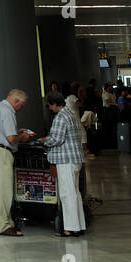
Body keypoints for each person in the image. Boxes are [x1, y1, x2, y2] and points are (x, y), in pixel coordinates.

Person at [0, 89, 32, 237]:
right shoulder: (8, 111)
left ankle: (6, 222)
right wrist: (22, 137)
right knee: (4, 191)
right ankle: (4, 226)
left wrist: (17, 131)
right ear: (16, 101)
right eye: (22, 105)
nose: (21, 109)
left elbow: (0, 131)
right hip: (2, 152)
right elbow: (11, 138)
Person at [43, 93, 86, 237]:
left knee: (67, 194)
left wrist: (44, 140)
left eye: (50, 105)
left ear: (55, 104)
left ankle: (71, 228)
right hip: (75, 158)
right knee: (75, 192)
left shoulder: (60, 117)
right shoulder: (71, 114)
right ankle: (79, 225)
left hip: (65, 159)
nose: (50, 108)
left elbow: (57, 139)